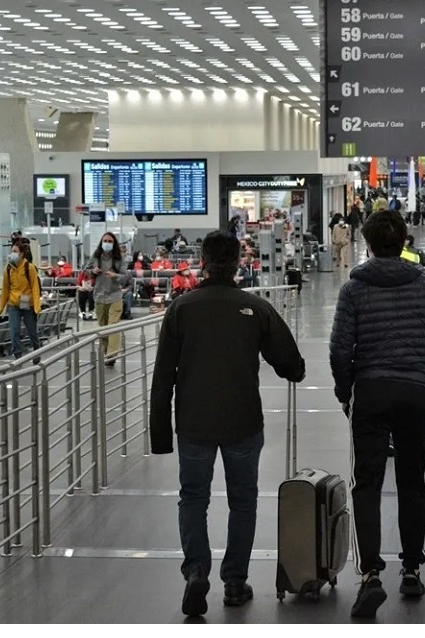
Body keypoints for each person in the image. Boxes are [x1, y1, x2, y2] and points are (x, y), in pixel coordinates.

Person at [149, 230, 306, 618]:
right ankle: (235, 582)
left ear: (202, 260)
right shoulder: (254, 307)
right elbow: (292, 365)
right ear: (239, 262)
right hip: (243, 421)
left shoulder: (182, 309)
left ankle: (196, 571)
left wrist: (160, 436)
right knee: (243, 500)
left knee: (193, 497)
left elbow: (163, 375)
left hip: (193, 423)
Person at [329, 209, 425, 618]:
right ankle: (411, 569)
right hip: (413, 392)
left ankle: (370, 573)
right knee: (411, 482)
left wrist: (345, 391)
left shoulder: (354, 288)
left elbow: (339, 349)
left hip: (370, 392)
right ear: (405, 241)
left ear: (367, 244)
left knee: (366, 484)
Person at [85, 232, 130, 368]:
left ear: (114, 243)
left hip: (115, 295)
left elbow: (124, 277)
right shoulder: (96, 256)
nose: (107, 243)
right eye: (105, 240)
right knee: (103, 327)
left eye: (110, 241)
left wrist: (114, 275)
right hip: (99, 296)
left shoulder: (119, 259)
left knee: (113, 325)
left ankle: (111, 355)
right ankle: (106, 352)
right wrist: (93, 271)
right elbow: (86, 270)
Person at [0, 242, 42, 360]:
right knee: (14, 331)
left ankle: (37, 353)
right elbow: (5, 288)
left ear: (21, 254)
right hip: (13, 304)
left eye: (15, 251)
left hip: (27, 301)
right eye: (12, 251)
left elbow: (35, 287)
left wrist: (36, 305)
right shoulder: (8, 268)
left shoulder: (29, 267)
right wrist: (0, 307)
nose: (12, 254)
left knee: (32, 331)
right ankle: (17, 356)